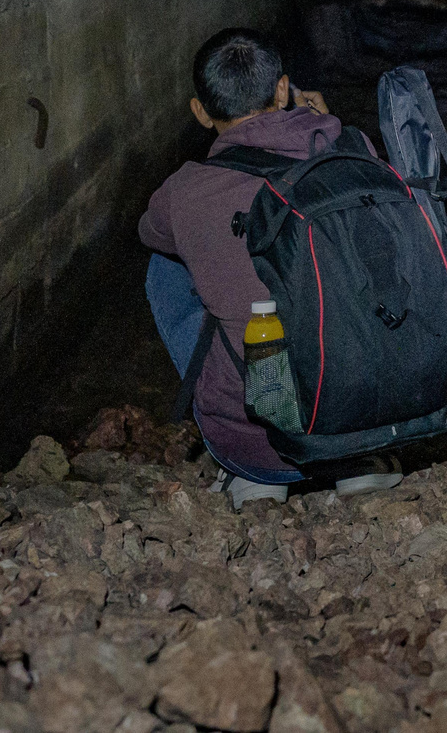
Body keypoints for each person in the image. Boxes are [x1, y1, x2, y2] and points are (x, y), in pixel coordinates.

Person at [140, 27, 406, 507]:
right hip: (366, 412)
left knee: (166, 265)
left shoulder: (184, 190)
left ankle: (256, 468)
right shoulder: (350, 145)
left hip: (259, 445)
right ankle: (358, 463)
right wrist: (327, 126)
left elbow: (149, 232)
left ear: (200, 112)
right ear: (282, 90)